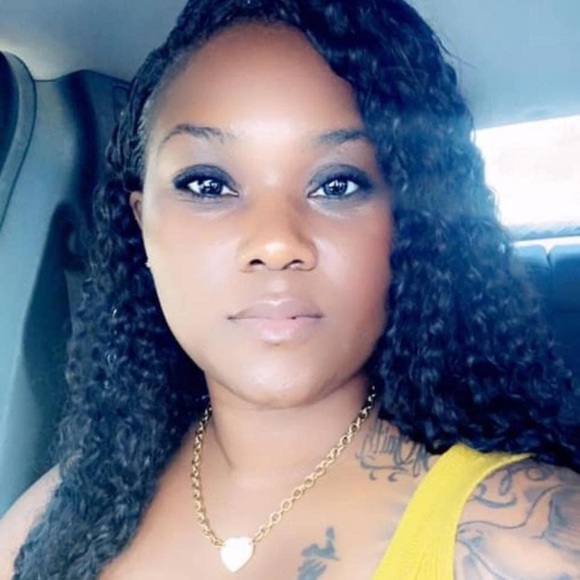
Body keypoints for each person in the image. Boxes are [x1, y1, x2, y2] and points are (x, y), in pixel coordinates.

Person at [1, 0, 579, 578]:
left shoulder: (529, 542)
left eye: (338, 184)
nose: (276, 243)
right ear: (142, 224)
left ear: (410, 230)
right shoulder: (71, 507)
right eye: (208, 184)